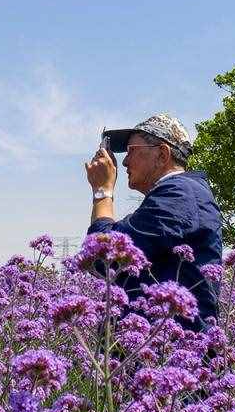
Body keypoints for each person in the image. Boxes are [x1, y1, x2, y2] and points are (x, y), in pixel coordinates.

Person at [84, 113, 222, 332]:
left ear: (162, 154)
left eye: (132, 151)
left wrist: (103, 191)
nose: (125, 161)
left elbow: (102, 256)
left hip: (169, 356)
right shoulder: (179, 194)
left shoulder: (179, 195)